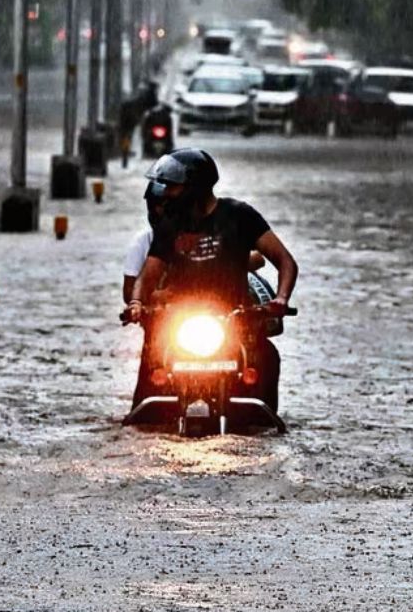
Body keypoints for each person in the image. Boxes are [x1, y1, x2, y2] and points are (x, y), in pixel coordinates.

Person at [126, 148, 298, 414]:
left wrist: (281, 299)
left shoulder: (240, 216)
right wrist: (137, 302)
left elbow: (285, 261)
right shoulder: (170, 225)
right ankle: (142, 418)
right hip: (179, 322)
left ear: (194, 188)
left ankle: (263, 421)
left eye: (172, 187)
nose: (167, 194)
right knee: (153, 361)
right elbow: (147, 275)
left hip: (235, 320)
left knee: (266, 357)